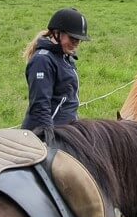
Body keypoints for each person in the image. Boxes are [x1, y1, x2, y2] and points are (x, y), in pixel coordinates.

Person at [21, 8, 90, 136]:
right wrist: (50, 136)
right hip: (46, 133)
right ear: (57, 33)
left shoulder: (65, 58)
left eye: (79, 40)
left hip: (66, 130)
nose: (76, 44)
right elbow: (40, 105)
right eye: (73, 39)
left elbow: (67, 101)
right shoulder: (42, 61)